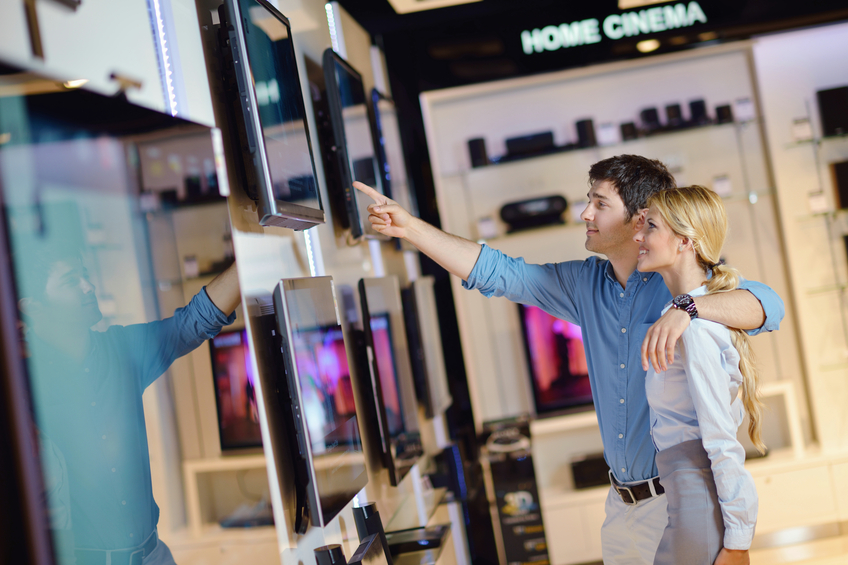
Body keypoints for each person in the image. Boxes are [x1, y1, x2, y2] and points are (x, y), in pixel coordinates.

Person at [353, 154, 783, 565]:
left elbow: (769, 306)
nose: (586, 214)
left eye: (599, 203)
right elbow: (499, 272)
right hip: (620, 506)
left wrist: (688, 307)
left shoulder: (677, 283)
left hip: (675, 502)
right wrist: (411, 230)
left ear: (639, 219)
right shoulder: (584, 283)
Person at [19, 245, 241, 565]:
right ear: (34, 307)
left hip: (155, 556)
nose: (88, 286)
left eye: (85, 275)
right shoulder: (26, 384)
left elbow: (193, 322)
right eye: (71, 281)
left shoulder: (122, 349)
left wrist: (246, 258)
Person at [634, 185, 761, 565]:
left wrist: (738, 542)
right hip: (682, 494)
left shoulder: (695, 328)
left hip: (696, 497)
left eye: (650, 227)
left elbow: (722, 442)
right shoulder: (680, 316)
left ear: (685, 242)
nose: (638, 236)